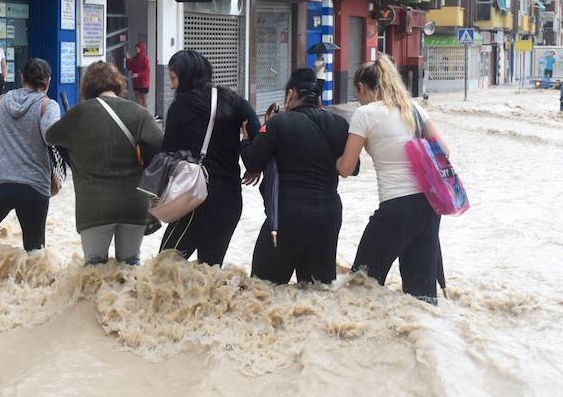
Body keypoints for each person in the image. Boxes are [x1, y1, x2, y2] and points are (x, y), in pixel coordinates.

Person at [336, 55, 449, 303]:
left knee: (360, 286)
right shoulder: (414, 109)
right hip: (429, 208)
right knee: (421, 297)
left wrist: (332, 158)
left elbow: (346, 168)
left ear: (362, 88)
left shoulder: (364, 114)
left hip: (396, 209)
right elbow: (444, 152)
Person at [240, 67, 353, 286]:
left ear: (291, 95)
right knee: (316, 292)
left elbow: (252, 161)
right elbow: (352, 167)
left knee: (263, 290)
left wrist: (245, 139)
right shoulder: (339, 124)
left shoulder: (279, 123)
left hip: (289, 216)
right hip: (328, 215)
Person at [46, 61, 164, 265]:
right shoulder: (139, 113)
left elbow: (50, 136)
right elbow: (161, 146)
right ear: (117, 83)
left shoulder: (79, 113)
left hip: (94, 207)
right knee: (130, 267)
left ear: (88, 86)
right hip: (134, 205)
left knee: (94, 270)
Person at [157, 49, 259, 266]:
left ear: (185, 77)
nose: (171, 85)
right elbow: (257, 135)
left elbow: (167, 152)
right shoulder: (233, 99)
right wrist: (252, 163)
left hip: (195, 198)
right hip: (230, 200)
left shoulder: (180, 106)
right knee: (210, 269)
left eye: (173, 78)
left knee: (164, 269)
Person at [0, 58, 59, 251]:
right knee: (35, 255)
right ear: (48, 81)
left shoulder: (1, 101)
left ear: (21, 77)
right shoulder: (48, 106)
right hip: (34, 186)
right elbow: (52, 137)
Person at [125, 41, 151, 105]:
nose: (136, 49)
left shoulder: (145, 59)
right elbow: (129, 67)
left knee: (144, 99)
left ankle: (145, 114)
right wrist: (128, 59)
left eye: (138, 48)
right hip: (136, 82)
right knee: (137, 99)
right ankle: (139, 113)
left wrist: (138, 74)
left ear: (142, 48)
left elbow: (147, 70)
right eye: (136, 48)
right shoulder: (135, 58)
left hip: (143, 83)